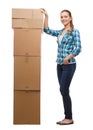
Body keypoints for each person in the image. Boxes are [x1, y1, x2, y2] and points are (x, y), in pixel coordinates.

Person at [41, 8, 81, 125]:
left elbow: (78, 48)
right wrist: (46, 17)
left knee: (63, 89)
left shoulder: (75, 31)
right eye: (61, 17)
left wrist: (67, 58)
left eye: (65, 16)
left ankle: (68, 117)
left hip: (69, 65)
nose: (63, 19)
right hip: (59, 65)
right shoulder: (61, 32)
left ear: (70, 18)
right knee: (63, 90)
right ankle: (68, 117)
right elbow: (47, 30)